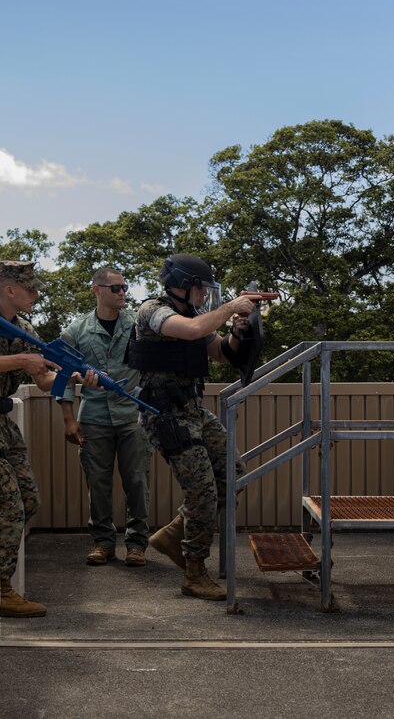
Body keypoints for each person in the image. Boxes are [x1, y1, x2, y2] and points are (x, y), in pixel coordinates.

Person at [0, 260, 97, 619]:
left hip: (0, 420)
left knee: (28, 499)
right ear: (10, 289)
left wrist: (73, 377)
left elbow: (45, 381)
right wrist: (24, 359)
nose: (36, 295)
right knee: (10, 506)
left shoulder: (24, 328)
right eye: (30, 289)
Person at [128, 254, 257, 600]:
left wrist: (236, 333)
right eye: (200, 288)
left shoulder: (195, 315)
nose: (203, 295)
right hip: (166, 415)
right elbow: (191, 331)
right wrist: (230, 307)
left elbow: (219, 352)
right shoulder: (154, 311)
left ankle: (172, 534)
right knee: (203, 491)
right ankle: (194, 571)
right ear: (183, 285)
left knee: (233, 474)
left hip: (193, 409)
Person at [57, 267, 151, 568]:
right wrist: (69, 419)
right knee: (97, 483)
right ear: (96, 290)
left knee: (137, 481)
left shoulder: (138, 326)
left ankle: (137, 544)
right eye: (115, 288)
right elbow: (62, 379)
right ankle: (102, 542)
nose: (122, 292)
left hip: (132, 416)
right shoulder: (76, 331)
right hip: (95, 417)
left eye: (125, 287)